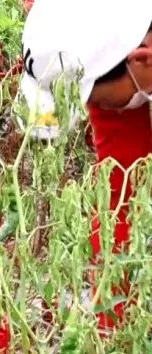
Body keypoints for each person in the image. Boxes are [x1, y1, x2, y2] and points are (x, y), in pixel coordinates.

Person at [20, 0, 152, 332]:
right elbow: (120, 203)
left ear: (142, 60)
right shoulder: (102, 42)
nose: (97, 109)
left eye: (95, 100)